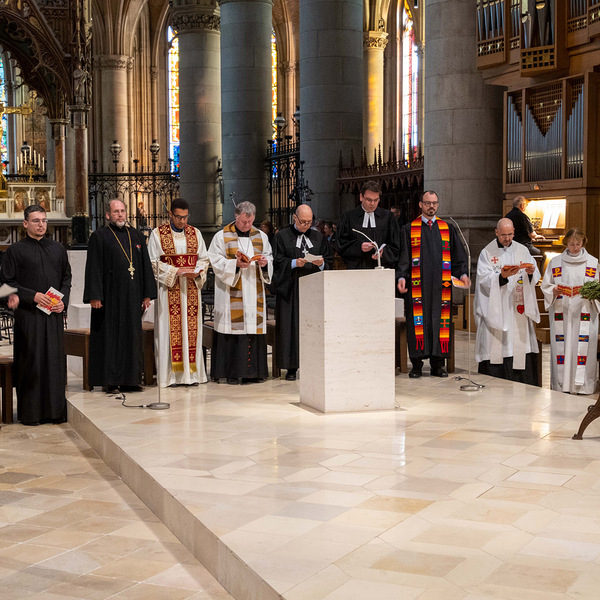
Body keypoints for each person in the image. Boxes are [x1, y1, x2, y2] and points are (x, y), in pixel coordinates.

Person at [0, 204, 71, 425]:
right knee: (32, 363)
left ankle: (55, 412)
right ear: (25, 224)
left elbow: (66, 279)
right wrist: (32, 296)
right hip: (28, 318)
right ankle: (31, 413)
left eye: (44, 220)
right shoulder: (14, 251)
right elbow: (4, 286)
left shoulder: (58, 249)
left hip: (53, 316)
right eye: (36, 221)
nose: (41, 225)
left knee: (54, 362)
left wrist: (63, 302)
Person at [83, 199, 157, 393]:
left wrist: (147, 294)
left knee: (131, 337)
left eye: (123, 211)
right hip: (109, 298)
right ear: (108, 215)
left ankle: (131, 380)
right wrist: (95, 295)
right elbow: (94, 267)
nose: (120, 215)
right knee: (111, 337)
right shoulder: (100, 236)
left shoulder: (137, 236)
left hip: (132, 297)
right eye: (116, 212)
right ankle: (111, 380)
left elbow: (145, 266)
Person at [397, 190, 470, 378]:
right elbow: (404, 258)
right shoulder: (409, 229)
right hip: (416, 287)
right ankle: (417, 365)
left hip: (441, 287)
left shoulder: (448, 229)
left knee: (440, 322)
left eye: (435, 203)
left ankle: (438, 364)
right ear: (420, 204)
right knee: (417, 323)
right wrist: (402, 277)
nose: (431, 206)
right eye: (428, 203)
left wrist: (462, 273)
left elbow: (458, 257)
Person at [208, 201, 273, 384]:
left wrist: (264, 264)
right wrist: (234, 265)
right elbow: (214, 261)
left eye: (250, 221)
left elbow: (269, 256)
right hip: (231, 292)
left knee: (252, 329)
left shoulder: (261, 236)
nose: (247, 225)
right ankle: (232, 373)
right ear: (236, 216)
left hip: (254, 291)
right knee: (233, 332)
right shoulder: (221, 237)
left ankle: (254, 373)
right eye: (244, 221)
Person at [148, 198, 210, 387]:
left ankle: (192, 375)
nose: (183, 221)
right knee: (168, 331)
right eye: (178, 217)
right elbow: (152, 263)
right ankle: (170, 376)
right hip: (169, 292)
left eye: (185, 217)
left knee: (191, 331)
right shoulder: (158, 234)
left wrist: (197, 271)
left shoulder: (195, 233)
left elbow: (205, 259)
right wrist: (176, 271)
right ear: (170, 214)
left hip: (190, 289)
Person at [474, 218, 540, 385]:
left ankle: (522, 380)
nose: (507, 238)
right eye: (503, 235)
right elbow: (483, 279)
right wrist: (501, 277)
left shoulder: (522, 250)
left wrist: (531, 272)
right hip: (498, 306)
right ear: (496, 232)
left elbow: (534, 275)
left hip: (516, 306)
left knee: (518, 342)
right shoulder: (487, 253)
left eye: (510, 234)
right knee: (497, 347)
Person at [273, 204, 333, 380]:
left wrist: (320, 264)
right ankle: (291, 367)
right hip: (290, 290)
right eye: (302, 222)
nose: (306, 225)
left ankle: (312, 364)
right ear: (294, 218)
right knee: (290, 327)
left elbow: (328, 261)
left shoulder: (318, 237)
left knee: (313, 326)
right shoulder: (282, 237)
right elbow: (276, 262)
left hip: (313, 291)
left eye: (309, 222)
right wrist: (293, 263)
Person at [541, 228, 599, 394]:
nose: (574, 247)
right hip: (563, 312)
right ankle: (562, 384)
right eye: (571, 244)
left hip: (585, 312)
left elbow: (598, 287)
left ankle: (584, 386)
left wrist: (590, 291)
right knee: (563, 347)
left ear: (583, 242)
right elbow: (546, 284)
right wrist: (554, 290)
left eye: (578, 244)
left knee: (583, 348)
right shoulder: (556, 262)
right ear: (566, 243)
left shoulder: (593, 263)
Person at [336, 180, 400, 269]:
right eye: (369, 200)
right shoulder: (348, 217)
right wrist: (359, 247)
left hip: (381, 269)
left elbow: (396, 244)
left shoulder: (388, 217)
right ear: (361, 197)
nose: (372, 204)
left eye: (376, 200)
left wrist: (384, 253)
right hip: (357, 270)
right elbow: (340, 244)